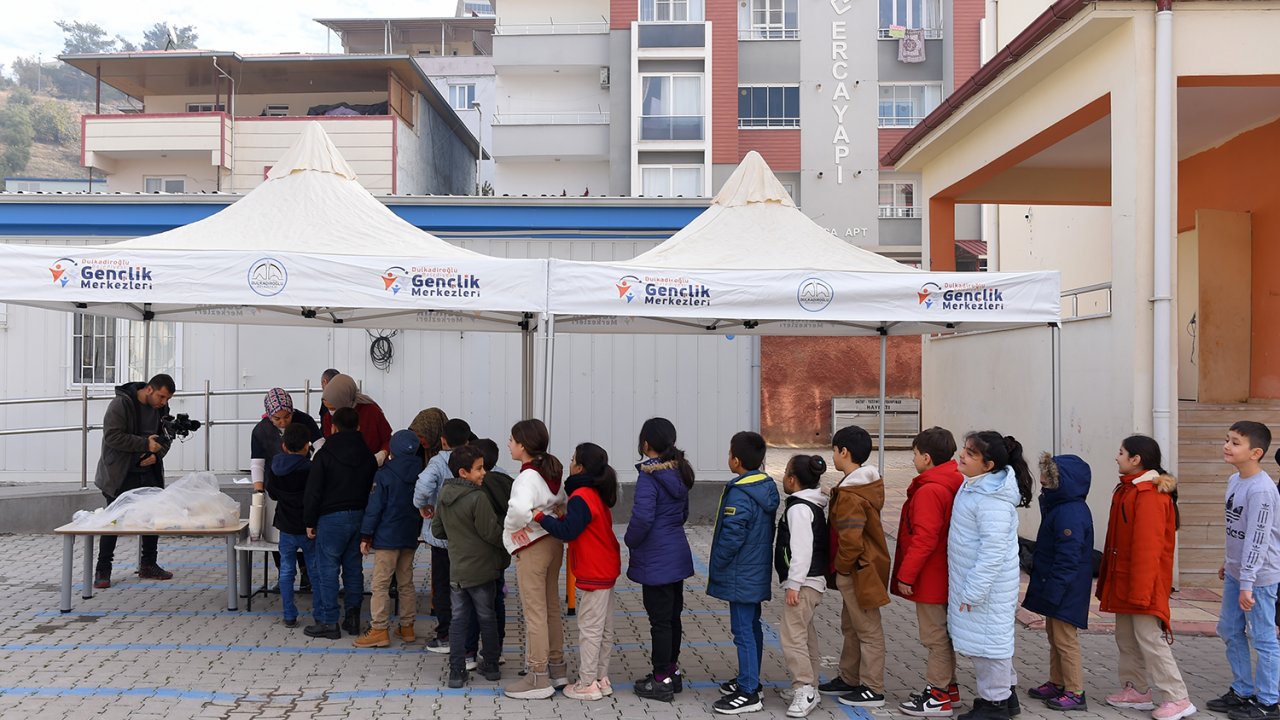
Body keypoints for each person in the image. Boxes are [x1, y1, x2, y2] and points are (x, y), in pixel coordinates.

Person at [1098, 435, 1195, 720]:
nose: (1117, 457)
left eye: (1121, 452)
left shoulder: (1149, 495)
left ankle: (1178, 697)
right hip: (1125, 580)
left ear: (1136, 459)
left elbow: (1148, 548)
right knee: (1126, 637)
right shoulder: (1129, 489)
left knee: (1150, 639)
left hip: (1142, 583)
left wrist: (1140, 591)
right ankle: (1136, 689)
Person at [948, 431, 1033, 720]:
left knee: (990, 646)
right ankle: (1006, 697)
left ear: (988, 465)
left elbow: (993, 552)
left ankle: (994, 704)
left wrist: (973, 590)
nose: (963, 455)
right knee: (990, 642)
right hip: (977, 583)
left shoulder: (992, 500)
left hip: (986, 587)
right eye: (965, 449)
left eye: (971, 454)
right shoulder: (975, 486)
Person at [535, 442, 622, 701]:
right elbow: (579, 525)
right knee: (604, 628)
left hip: (594, 570)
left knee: (590, 628)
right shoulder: (593, 493)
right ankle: (600, 678)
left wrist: (541, 518)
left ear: (580, 467)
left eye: (573, 460)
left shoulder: (582, 495)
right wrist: (563, 515)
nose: (569, 463)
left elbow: (568, 532)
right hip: (606, 567)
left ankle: (587, 683)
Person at [1208, 422, 1280, 720]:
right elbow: (1235, 529)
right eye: (1227, 440)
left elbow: (1258, 538)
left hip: (1260, 578)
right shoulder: (1235, 480)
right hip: (1240, 572)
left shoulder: (1262, 490)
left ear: (1256, 453)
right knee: (1228, 629)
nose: (1228, 446)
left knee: (1263, 637)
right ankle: (1243, 690)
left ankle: (1269, 701)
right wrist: (1230, 562)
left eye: (1236, 442)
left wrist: (1248, 581)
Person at [893, 427, 965, 717]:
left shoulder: (930, 490)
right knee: (943, 635)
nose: (912, 460)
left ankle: (937, 695)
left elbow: (924, 538)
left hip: (931, 576)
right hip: (946, 571)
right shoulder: (954, 480)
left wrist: (906, 575)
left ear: (926, 457)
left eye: (913, 455)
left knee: (934, 637)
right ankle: (950, 688)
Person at [708, 431, 779, 716]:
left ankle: (749, 692)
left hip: (741, 574)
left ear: (736, 460)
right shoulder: (765, 487)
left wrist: (718, 564)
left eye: (729, 454)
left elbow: (732, 536)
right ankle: (750, 680)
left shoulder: (741, 492)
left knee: (743, 631)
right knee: (752, 627)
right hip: (755, 569)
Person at [820, 425, 890, 709]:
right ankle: (848, 678)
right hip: (858, 569)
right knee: (851, 626)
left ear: (844, 452)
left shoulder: (851, 495)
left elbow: (850, 539)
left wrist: (842, 567)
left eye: (834, 451)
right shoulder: (859, 486)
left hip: (857, 571)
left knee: (868, 630)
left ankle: (873, 688)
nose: (833, 456)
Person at [628, 418, 697, 703]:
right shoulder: (679, 472)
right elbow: (682, 514)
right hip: (676, 553)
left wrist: (630, 540)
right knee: (672, 617)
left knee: (659, 621)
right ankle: (672, 671)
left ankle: (660, 680)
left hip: (655, 558)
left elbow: (642, 518)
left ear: (646, 444)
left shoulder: (649, 476)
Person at [1022, 453, 1095, 711]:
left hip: (1067, 587)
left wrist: (1055, 589)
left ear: (1060, 481)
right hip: (1059, 584)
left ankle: (1075, 690)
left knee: (1065, 639)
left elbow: (1068, 557)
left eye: (1047, 475)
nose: (1041, 479)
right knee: (1054, 636)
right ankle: (1057, 681)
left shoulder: (1070, 512)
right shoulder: (1061, 507)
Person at [502, 419, 568, 700]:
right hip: (553, 543)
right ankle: (557, 668)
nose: (509, 444)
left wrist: (514, 529)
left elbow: (518, 508)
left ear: (524, 446)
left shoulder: (526, 477)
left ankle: (538, 676)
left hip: (533, 546)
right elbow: (562, 501)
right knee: (551, 606)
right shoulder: (551, 468)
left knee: (535, 612)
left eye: (512, 440)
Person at [93, 373, 176, 589]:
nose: (163, 402)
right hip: (119, 472)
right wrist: (144, 445)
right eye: (161, 397)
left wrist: (156, 455)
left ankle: (148, 564)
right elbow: (112, 436)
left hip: (148, 471)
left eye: (167, 399)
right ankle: (103, 569)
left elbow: (166, 439)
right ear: (149, 389)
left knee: (151, 516)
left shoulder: (162, 410)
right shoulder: (121, 404)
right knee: (114, 519)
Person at [433, 444, 507, 689]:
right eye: (479, 469)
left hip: (457, 570)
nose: (484, 472)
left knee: (458, 620)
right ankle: (492, 666)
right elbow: (491, 533)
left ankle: (457, 671)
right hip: (482, 568)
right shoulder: (478, 498)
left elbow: (437, 530)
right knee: (487, 617)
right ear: (463, 473)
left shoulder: (444, 496)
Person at [303, 406, 378, 640]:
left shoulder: (324, 454)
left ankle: (328, 622)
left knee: (327, 570)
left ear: (333, 427)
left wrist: (309, 520)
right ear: (358, 427)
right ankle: (353, 619)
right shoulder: (367, 455)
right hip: (359, 516)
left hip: (330, 519)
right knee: (353, 568)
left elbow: (313, 491)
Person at [353, 430, 424, 648]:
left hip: (387, 537)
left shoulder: (384, 475)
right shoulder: (422, 472)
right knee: (406, 582)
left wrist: (366, 535)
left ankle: (379, 629)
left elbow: (375, 509)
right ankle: (407, 627)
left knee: (381, 584)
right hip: (410, 535)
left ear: (392, 450)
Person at [249, 388, 322, 591]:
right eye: (277, 418)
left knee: (302, 531)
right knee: (278, 534)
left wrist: (316, 471)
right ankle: (284, 574)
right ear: (269, 415)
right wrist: (258, 491)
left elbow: (321, 447)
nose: (283, 422)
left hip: (304, 481)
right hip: (276, 485)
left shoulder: (305, 420)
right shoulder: (260, 430)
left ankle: (306, 574)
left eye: (287, 416)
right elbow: (257, 462)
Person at [775, 454, 830, 719]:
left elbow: (801, 551)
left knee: (792, 636)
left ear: (793, 479)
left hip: (805, 582)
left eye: (785, 471)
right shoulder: (812, 504)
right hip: (812, 581)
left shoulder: (798, 509)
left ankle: (804, 686)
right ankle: (812, 686)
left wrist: (794, 584)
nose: (783, 476)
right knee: (805, 635)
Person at [414, 417, 472, 653]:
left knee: (442, 584)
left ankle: (446, 634)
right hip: (468, 536)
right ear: (468, 439)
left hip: (442, 536)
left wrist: (422, 505)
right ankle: (469, 634)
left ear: (443, 440)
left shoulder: (438, 462)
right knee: (468, 586)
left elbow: (423, 486)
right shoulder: (475, 459)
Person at [464, 438, 515, 668]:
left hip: (475, 556)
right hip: (499, 554)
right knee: (496, 603)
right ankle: (495, 651)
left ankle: (469, 652)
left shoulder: (476, 487)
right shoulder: (508, 483)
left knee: (473, 605)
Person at [267, 423, 319, 628]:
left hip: (286, 526)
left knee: (287, 571)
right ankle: (320, 614)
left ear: (284, 446)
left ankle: (289, 614)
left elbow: (272, 494)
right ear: (307, 446)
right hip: (309, 527)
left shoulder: (275, 467)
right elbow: (316, 496)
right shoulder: (311, 469)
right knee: (315, 571)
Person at [320, 374, 391, 466]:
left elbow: (388, 439)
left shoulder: (372, 411)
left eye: (334, 408)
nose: (331, 412)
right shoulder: (328, 418)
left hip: (372, 468)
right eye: (328, 408)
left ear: (344, 400)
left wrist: (382, 454)